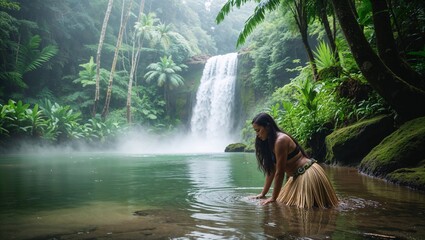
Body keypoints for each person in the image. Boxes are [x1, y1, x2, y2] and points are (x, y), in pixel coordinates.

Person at [251, 112, 338, 208]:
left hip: (307, 175)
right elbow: (272, 171)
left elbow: (280, 172)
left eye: (258, 130)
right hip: (297, 177)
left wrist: (273, 198)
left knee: (310, 210)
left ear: (267, 126)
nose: (257, 134)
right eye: (255, 131)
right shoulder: (271, 142)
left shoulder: (280, 141)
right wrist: (263, 193)